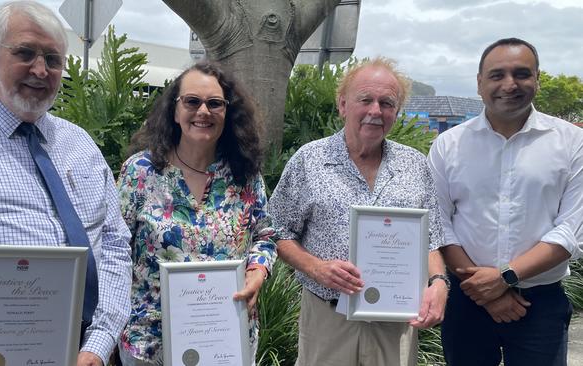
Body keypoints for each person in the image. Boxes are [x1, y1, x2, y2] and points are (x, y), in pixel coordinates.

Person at [0, 2, 132, 366]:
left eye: (53, 60)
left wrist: (99, 344)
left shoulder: (79, 144)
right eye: (25, 53)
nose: (40, 70)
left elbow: (116, 243)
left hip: (83, 352)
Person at [268, 57, 449, 366]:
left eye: (386, 103)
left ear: (396, 111)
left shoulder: (415, 165)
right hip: (328, 317)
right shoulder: (309, 160)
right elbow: (277, 231)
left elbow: (430, 238)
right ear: (343, 105)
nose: (375, 111)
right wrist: (315, 267)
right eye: (365, 99)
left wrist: (439, 282)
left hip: (396, 322)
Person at [428, 37, 583, 366]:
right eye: (497, 75)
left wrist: (503, 279)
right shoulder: (448, 145)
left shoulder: (573, 143)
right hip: (467, 301)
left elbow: (571, 229)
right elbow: (438, 223)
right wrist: (483, 290)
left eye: (522, 74)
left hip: (539, 304)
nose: (509, 84)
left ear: (537, 80)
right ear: (480, 83)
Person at [116, 61, 277, 365]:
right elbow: (114, 247)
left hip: (225, 336)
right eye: (192, 101)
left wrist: (258, 270)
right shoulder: (140, 172)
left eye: (215, 103)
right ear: (175, 111)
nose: (203, 111)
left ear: (227, 113)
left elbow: (265, 236)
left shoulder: (245, 175)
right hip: (151, 343)